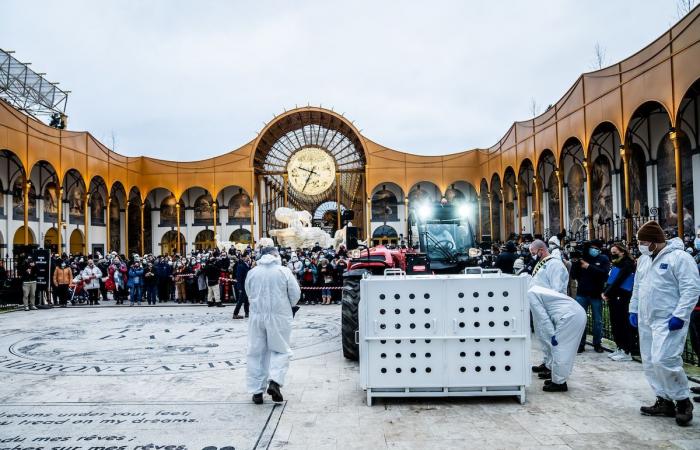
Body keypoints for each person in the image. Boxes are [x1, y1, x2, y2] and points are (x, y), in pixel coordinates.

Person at [630, 220, 700, 426]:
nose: (640, 245)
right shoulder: (644, 259)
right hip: (646, 318)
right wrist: (633, 309)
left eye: (643, 241)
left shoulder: (680, 258)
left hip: (668, 320)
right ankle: (664, 400)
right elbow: (637, 286)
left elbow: (691, 288)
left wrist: (680, 314)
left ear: (654, 241)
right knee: (651, 362)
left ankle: (683, 401)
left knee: (665, 359)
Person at [245, 245, 301, 404]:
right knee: (280, 349)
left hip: (257, 317)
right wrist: (287, 306)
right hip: (279, 316)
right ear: (276, 256)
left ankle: (256, 391)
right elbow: (295, 294)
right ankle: (275, 381)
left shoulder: (252, 272)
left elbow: (248, 292)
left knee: (256, 352)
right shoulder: (284, 271)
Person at [528, 284, 587, 392]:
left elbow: (543, 318)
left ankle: (559, 383)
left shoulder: (530, 294)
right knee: (561, 350)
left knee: (560, 349)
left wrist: (551, 335)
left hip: (569, 316)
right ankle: (557, 379)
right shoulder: (534, 289)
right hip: (573, 313)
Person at [527, 240, 570, 383]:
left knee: (551, 338)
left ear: (541, 250)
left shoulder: (555, 264)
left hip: (549, 308)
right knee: (543, 337)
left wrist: (548, 306)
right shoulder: (543, 263)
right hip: (539, 307)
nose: (533, 256)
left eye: (533, 253)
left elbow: (556, 288)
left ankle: (553, 367)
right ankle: (546, 362)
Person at [571, 239, 610, 353]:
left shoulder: (603, 259)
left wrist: (588, 267)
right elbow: (573, 275)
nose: (594, 250)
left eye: (597, 248)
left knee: (598, 321)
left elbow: (604, 274)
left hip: (596, 294)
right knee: (580, 320)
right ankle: (580, 344)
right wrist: (575, 263)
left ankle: (597, 343)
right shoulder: (582, 258)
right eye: (592, 248)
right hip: (582, 294)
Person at [602, 244, 637, 361]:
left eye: (615, 251)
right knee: (615, 323)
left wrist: (606, 293)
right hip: (614, 297)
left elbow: (618, 281)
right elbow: (610, 280)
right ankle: (620, 347)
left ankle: (626, 350)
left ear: (622, 252)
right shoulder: (616, 264)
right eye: (611, 252)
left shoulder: (627, 264)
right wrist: (606, 292)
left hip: (622, 297)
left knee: (622, 324)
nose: (613, 254)